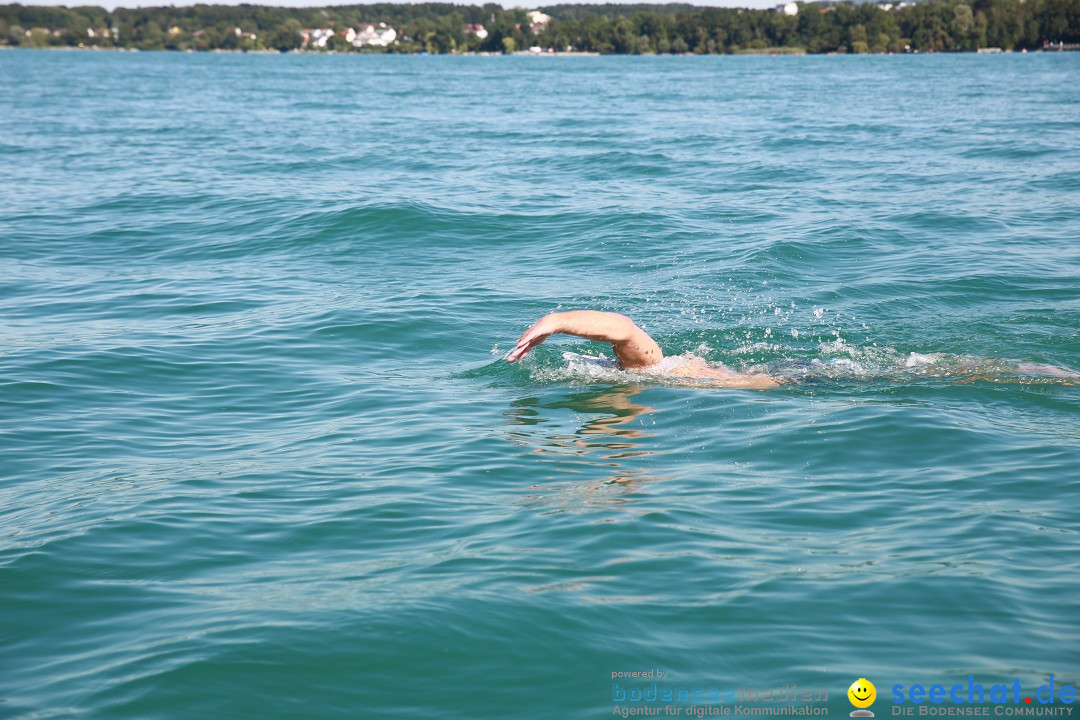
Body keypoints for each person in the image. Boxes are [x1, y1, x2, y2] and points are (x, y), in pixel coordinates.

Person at [507, 310, 781, 389]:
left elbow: (624, 330)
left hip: (780, 381)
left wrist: (556, 321)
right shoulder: (643, 371)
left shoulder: (645, 367)